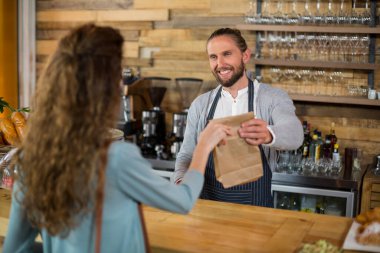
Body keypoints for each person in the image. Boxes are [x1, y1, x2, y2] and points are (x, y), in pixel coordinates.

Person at [3, 24, 231, 253]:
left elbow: (15, 249)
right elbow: (183, 200)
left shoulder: (31, 159)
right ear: (104, 89)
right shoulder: (116, 158)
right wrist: (203, 145)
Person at [171, 28, 303, 207]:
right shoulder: (201, 105)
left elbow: (295, 134)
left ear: (245, 56)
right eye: (213, 57)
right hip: (208, 208)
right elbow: (187, 154)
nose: (220, 63)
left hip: (256, 209)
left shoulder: (271, 98)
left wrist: (269, 134)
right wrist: (180, 182)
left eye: (227, 54)